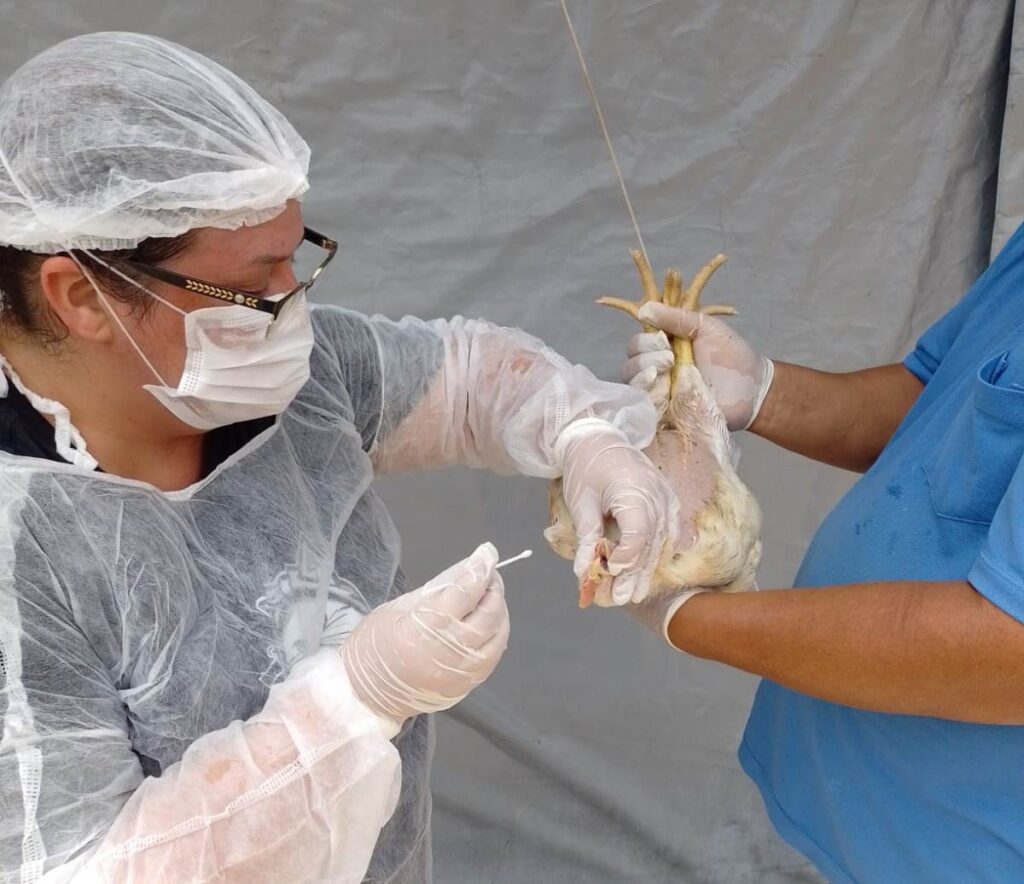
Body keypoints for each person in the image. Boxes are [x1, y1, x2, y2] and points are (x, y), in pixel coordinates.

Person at [0, 32, 681, 881]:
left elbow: (471, 381)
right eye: (256, 284)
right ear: (81, 296)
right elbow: (85, 869)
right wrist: (356, 700)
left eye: (300, 256)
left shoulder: (282, 377)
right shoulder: (23, 555)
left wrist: (586, 439)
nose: (293, 308)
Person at [622, 234, 1024, 881]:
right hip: (858, 816)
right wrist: (763, 390)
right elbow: (946, 404)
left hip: (970, 855)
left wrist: (688, 615)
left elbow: (1009, 649)